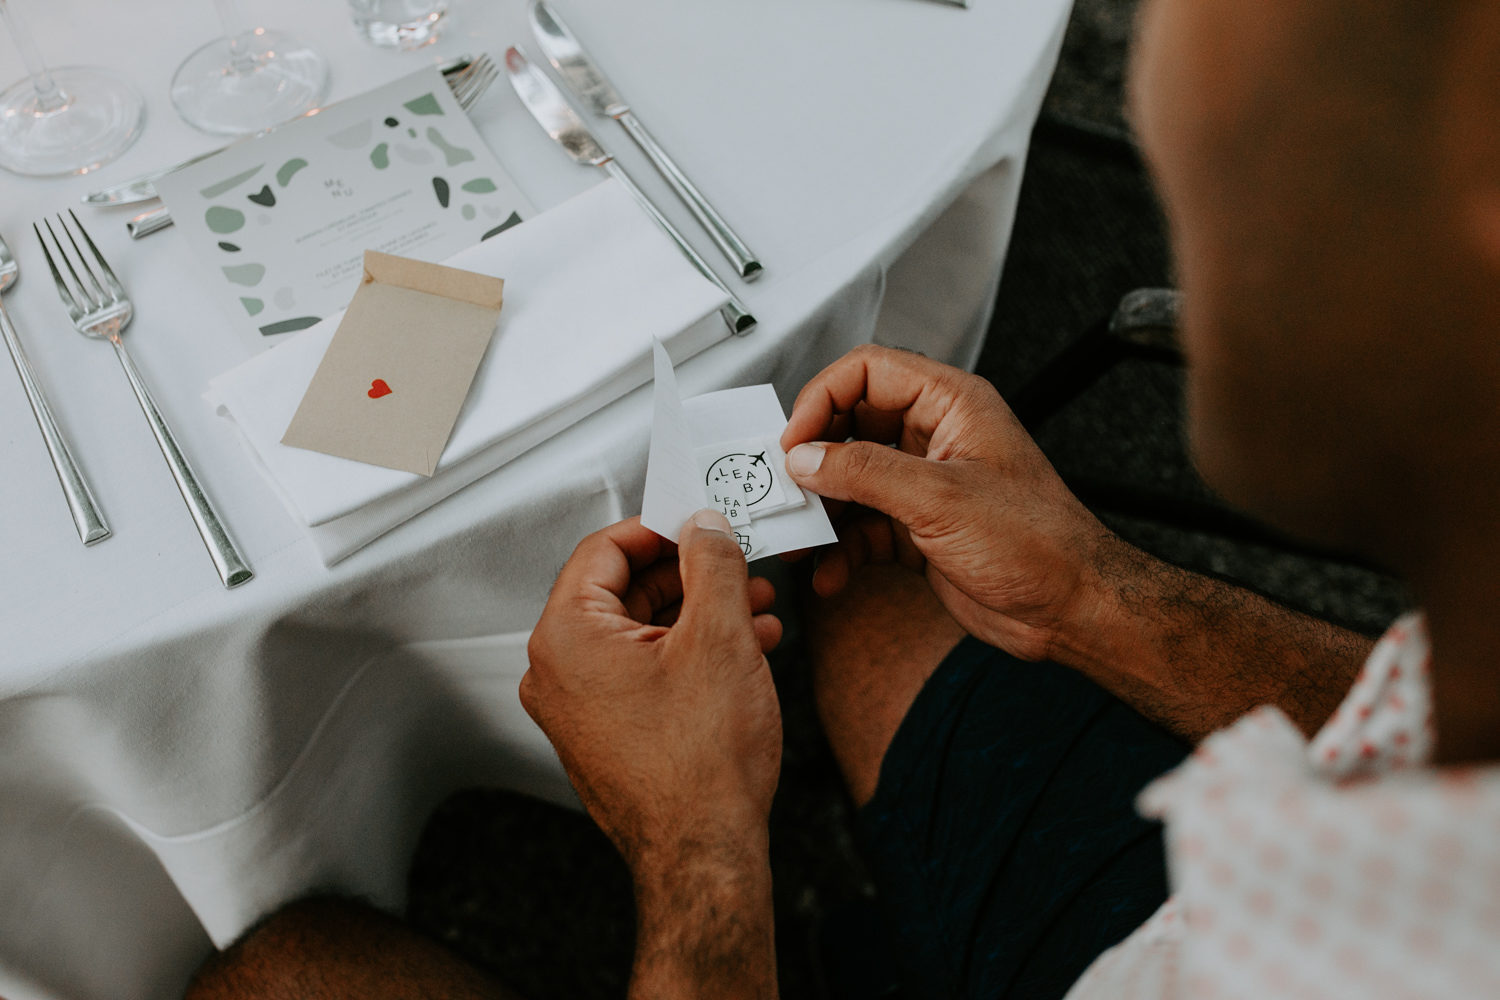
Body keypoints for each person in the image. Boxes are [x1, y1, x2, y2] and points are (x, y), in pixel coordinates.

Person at [187, 0, 1500, 996]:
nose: (1155, 94)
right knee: (875, 596)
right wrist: (1097, 596)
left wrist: (694, 846)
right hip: (1205, 918)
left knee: (289, 971)